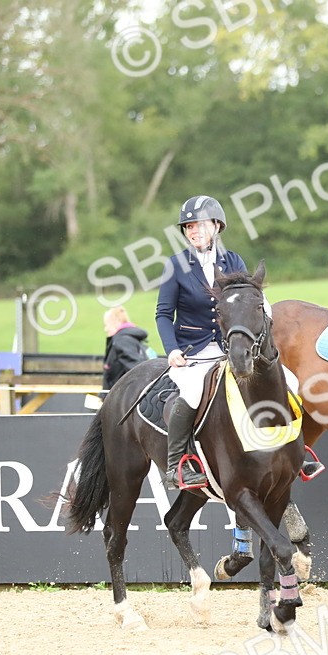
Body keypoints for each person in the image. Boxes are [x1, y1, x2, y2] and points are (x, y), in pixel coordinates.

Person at [155, 195, 247, 489]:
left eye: (200, 225)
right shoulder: (176, 265)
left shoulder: (233, 261)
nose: (194, 231)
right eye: (189, 227)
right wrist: (172, 350)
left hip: (228, 350)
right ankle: (176, 465)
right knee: (194, 391)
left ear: (217, 226)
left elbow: (246, 301)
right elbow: (163, 314)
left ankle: (292, 449)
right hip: (192, 352)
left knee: (278, 378)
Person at [101, 306, 152, 391]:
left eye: (107, 324)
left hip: (122, 398)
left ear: (114, 322)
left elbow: (138, 368)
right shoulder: (130, 339)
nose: (105, 329)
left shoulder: (121, 341)